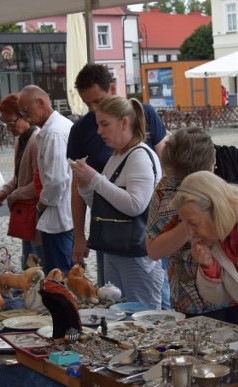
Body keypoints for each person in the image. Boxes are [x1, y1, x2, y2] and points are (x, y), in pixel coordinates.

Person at [67, 64, 168, 289]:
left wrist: (94, 179)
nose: (93, 110)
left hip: (139, 242)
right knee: (116, 306)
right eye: (88, 104)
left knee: (145, 308)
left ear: (124, 123)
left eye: (104, 124)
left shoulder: (138, 152)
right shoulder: (114, 152)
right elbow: (101, 201)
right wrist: (85, 187)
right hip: (112, 239)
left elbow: (136, 203)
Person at [147, 127, 233, 318]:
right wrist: (189, 223)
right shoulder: (166, 189)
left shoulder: (230, 179)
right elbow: (153, 250)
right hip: (187, 301)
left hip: (233, 296)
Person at [170, 171, 238, 326]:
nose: (190, 232)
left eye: (193, 223)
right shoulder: (215, 235)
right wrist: (208, 267)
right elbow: (220, 299)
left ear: (217, 210)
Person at [18, 85, 74, 274]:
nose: (25, 117)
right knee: (61, 273)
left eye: (26, 111)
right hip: (63, 214)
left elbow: (57, 179)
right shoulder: (54, 128)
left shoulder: (54, 132)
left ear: (41, 102)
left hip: (59, 216)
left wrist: (42, 203)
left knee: (58, 276)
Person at [0, 93, 43, 268]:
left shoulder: (36, 140)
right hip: (26, 212)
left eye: (11, 123)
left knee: (35, 262)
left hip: (35, 211)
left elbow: (39, 182)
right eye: (6, 124)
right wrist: (5, 190)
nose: (9, 128)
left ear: (24, 116)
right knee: (27, 259)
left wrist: (14, 195)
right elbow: (18, 176)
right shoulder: (20, 140)